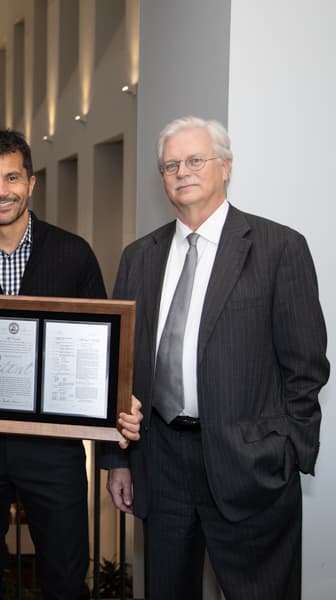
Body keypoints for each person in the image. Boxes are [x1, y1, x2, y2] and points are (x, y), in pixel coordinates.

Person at [103, 116, 329, 600]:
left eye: (195, 160)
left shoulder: (278, 249)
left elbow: (306, 367)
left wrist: (288, 453)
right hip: (160, 462)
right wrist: (118, 459)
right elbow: (121, 368)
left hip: (250, 466)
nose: (182, 171)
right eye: (170, 165)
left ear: (225, 167)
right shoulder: (139, 257)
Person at [0, 128, 142, 600]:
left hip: (53, 448)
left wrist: (115, 448)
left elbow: (101, 354)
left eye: (11, 178)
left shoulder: (73, 255)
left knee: (65, 578)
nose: (1, 191)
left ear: (32, 182)